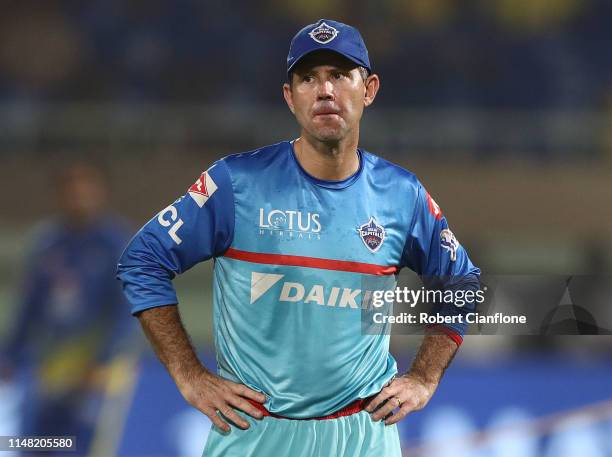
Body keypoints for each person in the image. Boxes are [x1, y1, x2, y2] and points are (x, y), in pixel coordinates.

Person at [117, 19, 480, 457]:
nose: (324, 91)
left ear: (369, 89)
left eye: (339, 75)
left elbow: (462, 283)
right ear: (290, 97)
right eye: (308, 78)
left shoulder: (402, 196)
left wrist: (424, 378)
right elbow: (142, 259)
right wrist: (189, 374)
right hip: (253, 435)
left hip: (362, 437)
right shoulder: (237, 184)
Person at [0, 163, 135, 456]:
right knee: (37, 443)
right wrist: (11, 354)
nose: (78, 195)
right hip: (54, 365)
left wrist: (103, 360)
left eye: (85, 187)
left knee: (84, 447)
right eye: (70, 188)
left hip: (100, 371)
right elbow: (30, 306)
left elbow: (127, 310)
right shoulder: (48, 243)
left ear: (100, 192)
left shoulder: (115, 243)